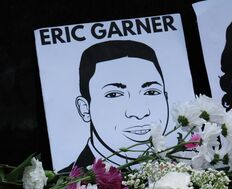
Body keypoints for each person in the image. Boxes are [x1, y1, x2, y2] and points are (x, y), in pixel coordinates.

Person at [62, 40, 169, 171]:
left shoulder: (187, 165)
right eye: (114, 95)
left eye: (151, 92)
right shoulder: (61, 186)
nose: (139, 112)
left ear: (166, 97)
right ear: (85, 109)